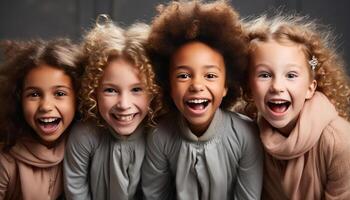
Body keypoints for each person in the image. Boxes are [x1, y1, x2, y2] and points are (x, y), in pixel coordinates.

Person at [142, 1, 263, 199]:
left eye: (210, 76)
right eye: (183, 76)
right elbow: (154, 194)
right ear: (168, 85)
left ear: (226, 85)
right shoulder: (159, 136)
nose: (196, 85)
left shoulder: (246, 135)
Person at [242, 13, 350, 199]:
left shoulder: (339, 141)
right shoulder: (244, 131)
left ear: (310, 88)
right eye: (264, 75)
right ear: (250, 89)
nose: (277, 87)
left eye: (291, 75)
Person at [63, 15, 163, 200]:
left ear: (154, 91)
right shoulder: (84, 135)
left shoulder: (159, 135)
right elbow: (76, 187)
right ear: (93, 91)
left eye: (136, 89)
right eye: (110, 90)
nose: (124, 105)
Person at [0, 39, 82, 200]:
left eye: (59, 94)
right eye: (34, 94)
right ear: (19, 100)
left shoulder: (84, 149)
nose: (45, 106)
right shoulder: (5, 160)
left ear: (78, 98)